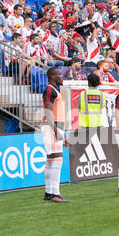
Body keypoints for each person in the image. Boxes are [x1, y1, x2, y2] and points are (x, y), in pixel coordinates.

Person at [41, 67, 69, 203]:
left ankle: (49, 192)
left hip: (57, 126)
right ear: (52, 76)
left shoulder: (55, 90)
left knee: (52, 159)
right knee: (56, 159)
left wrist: (63, 134)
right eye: (59, 74)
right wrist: (56, 130)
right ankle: (55, 193)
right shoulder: (50, 90)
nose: (61, 76)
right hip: (52, 127)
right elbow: (48, 111)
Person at [77, 73, 106, 144]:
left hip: (85, 124)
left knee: (86, 146)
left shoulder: (83, 94)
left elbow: (78, 107)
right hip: (98, 124)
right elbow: (102, 106)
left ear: (88, 82)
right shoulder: (102, 94)